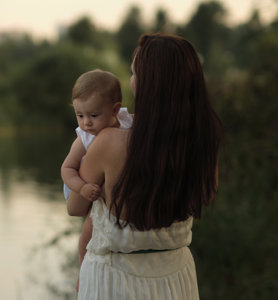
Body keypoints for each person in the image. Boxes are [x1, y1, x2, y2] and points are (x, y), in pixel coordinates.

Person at [67, 33, 223, 299]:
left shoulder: (110, 142)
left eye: (134, 72)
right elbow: (204, 195)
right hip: (177, 278)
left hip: (115, 279)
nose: (131, 80)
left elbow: (75, 207)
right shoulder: (203, 141)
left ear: (148, 83)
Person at [61, 69, 133, 272]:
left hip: (103, 182)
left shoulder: (127, 121)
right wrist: (81, 188)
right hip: (77, 186)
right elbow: (67, 169)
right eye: (80, 115)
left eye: (93, 115)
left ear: (115, 110)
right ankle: (83, 267)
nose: (86, 122)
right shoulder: (84, 138)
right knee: (89, 230)